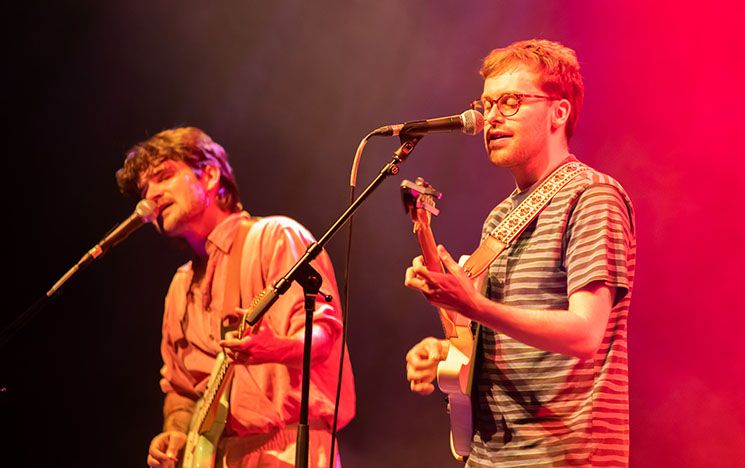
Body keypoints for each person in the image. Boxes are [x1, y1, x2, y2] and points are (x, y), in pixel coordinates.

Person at [404, 39, 635, 466]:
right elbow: (498, 334)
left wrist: (473, 304)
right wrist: (446, 349)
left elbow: (585, 333)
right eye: (487, 103)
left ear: (558, 112)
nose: (490, 118)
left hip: (564, 456)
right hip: (492, 456)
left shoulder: (592, 197)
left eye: (509, 102)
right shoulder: (499, 218)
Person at [115, 127, 355, 467]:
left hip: (287, 448)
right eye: (144, 188)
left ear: (210, 175)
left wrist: (277, 348)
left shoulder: (274, 237)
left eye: (163, 176)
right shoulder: (179, 287)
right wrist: (176, 432)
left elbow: (324, 334)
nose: (150, 196)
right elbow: (181, 390)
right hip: (218, 457)